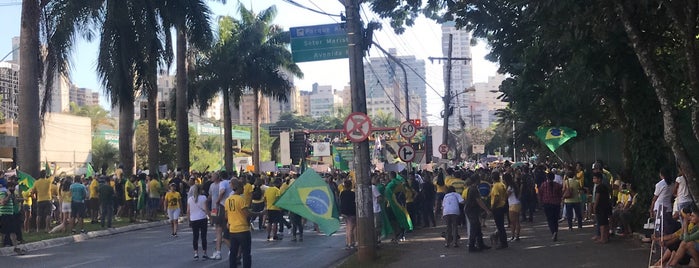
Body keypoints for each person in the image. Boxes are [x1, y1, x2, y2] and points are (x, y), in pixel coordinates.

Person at [225, 179, 264, 268]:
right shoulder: (240, 199)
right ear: (238, 188)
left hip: (233, 230)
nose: (243, 189)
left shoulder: (228, 200)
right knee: (246, 253)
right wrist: (260, 213)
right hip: (243, 229)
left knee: (233, 252)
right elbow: (247, 213)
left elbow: (226, 215)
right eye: (242, 187)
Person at [464, 174, 491, 252]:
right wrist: (487, 210)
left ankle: (480, 244)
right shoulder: (474, 189)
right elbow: (478, 201)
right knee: (474, 228)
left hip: (472, 209)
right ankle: (471, 246)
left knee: (478, 227)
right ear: (476, 180)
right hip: (471, 210)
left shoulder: (472, 188)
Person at [0, 178, 25, 255]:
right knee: (3, 232)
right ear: (8, 187)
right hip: (4, 215)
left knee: (13, 231)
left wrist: (14, 197)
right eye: (12, 187)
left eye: (14, 187)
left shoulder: (12, 194)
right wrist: (9, 195)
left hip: (10, 215)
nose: (13, 188)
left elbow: (14, 203)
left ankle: (16, 247)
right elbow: (3, 202)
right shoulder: (3, 192)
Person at [187, 184, 209, 260]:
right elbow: (206, 209)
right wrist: (210, 216)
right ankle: (204, 253)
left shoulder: (190, 199)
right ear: (200, 190)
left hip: (193, 219)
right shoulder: (203, 198)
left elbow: (188, 211)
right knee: (203, 236)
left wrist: (189, 220)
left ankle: (196, 253)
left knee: (195, 237)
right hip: (202, 218)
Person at [539, 172, 563, 242]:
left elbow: (540, 193)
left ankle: (553, 232)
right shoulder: (557, 185)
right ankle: (556, 231)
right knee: (555, 219)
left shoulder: (543, 185)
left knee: (550, 219)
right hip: (556, 204)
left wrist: (541, 201)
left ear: (547, 177)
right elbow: (560, 194)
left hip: (547, 204)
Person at [490, 171, 508, 249]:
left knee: (500, 226)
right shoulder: (502, 184)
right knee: (501, 226)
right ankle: (503, 241)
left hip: (497, 207)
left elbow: (496, 197)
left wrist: (493, 206)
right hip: (503, 205)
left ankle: (503, 242)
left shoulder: (496, 186)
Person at [592, 172, 612, 243]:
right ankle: (606, 237)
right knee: (605, 222)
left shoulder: (599, 187)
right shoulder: (604, 186)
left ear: (599, 179)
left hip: (601, 207)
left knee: (602, 223)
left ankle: (603, 238)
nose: (593, 180)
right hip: (606, 206)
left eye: (595, 178)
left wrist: (594, 206)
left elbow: (597, 198)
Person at [339, 180, 357, 249]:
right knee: (351, 228)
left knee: (347, 228)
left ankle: (348, 242)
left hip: (344, 212)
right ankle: (350, 243)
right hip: (351, 212)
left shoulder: (342, 193)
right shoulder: (353, 194)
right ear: (350, 186)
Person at [504, 173, 521, 241]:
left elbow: (506, 196)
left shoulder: (510, 187)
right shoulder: (514, 185)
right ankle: (516, 236)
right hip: (517, 203)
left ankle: (513, 236)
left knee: (512, 222)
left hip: (513, 205)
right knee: (517, 221)